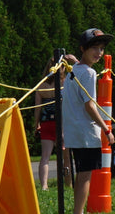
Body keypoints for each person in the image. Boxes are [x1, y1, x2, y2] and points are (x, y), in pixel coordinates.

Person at [61, 28, 115, 214]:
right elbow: (90, 106)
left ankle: (78, 211)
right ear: (83, 49)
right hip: (86, 132)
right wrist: (106, 129)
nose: (99, 52)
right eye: (94, 48)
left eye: (101, 48)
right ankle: (78, 211)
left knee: (81, 174)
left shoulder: (72, 72)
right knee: (85, 176)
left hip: (73, 131)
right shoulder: (90, 73)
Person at [34, 55, 71, 190]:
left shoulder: (41, 85)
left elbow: (38, 108)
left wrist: (36, 124)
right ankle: (68, 184)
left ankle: (44, 186)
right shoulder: (65, 83)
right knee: (66, 157)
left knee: (45, 157)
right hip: (62, 123)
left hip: (46, 122)